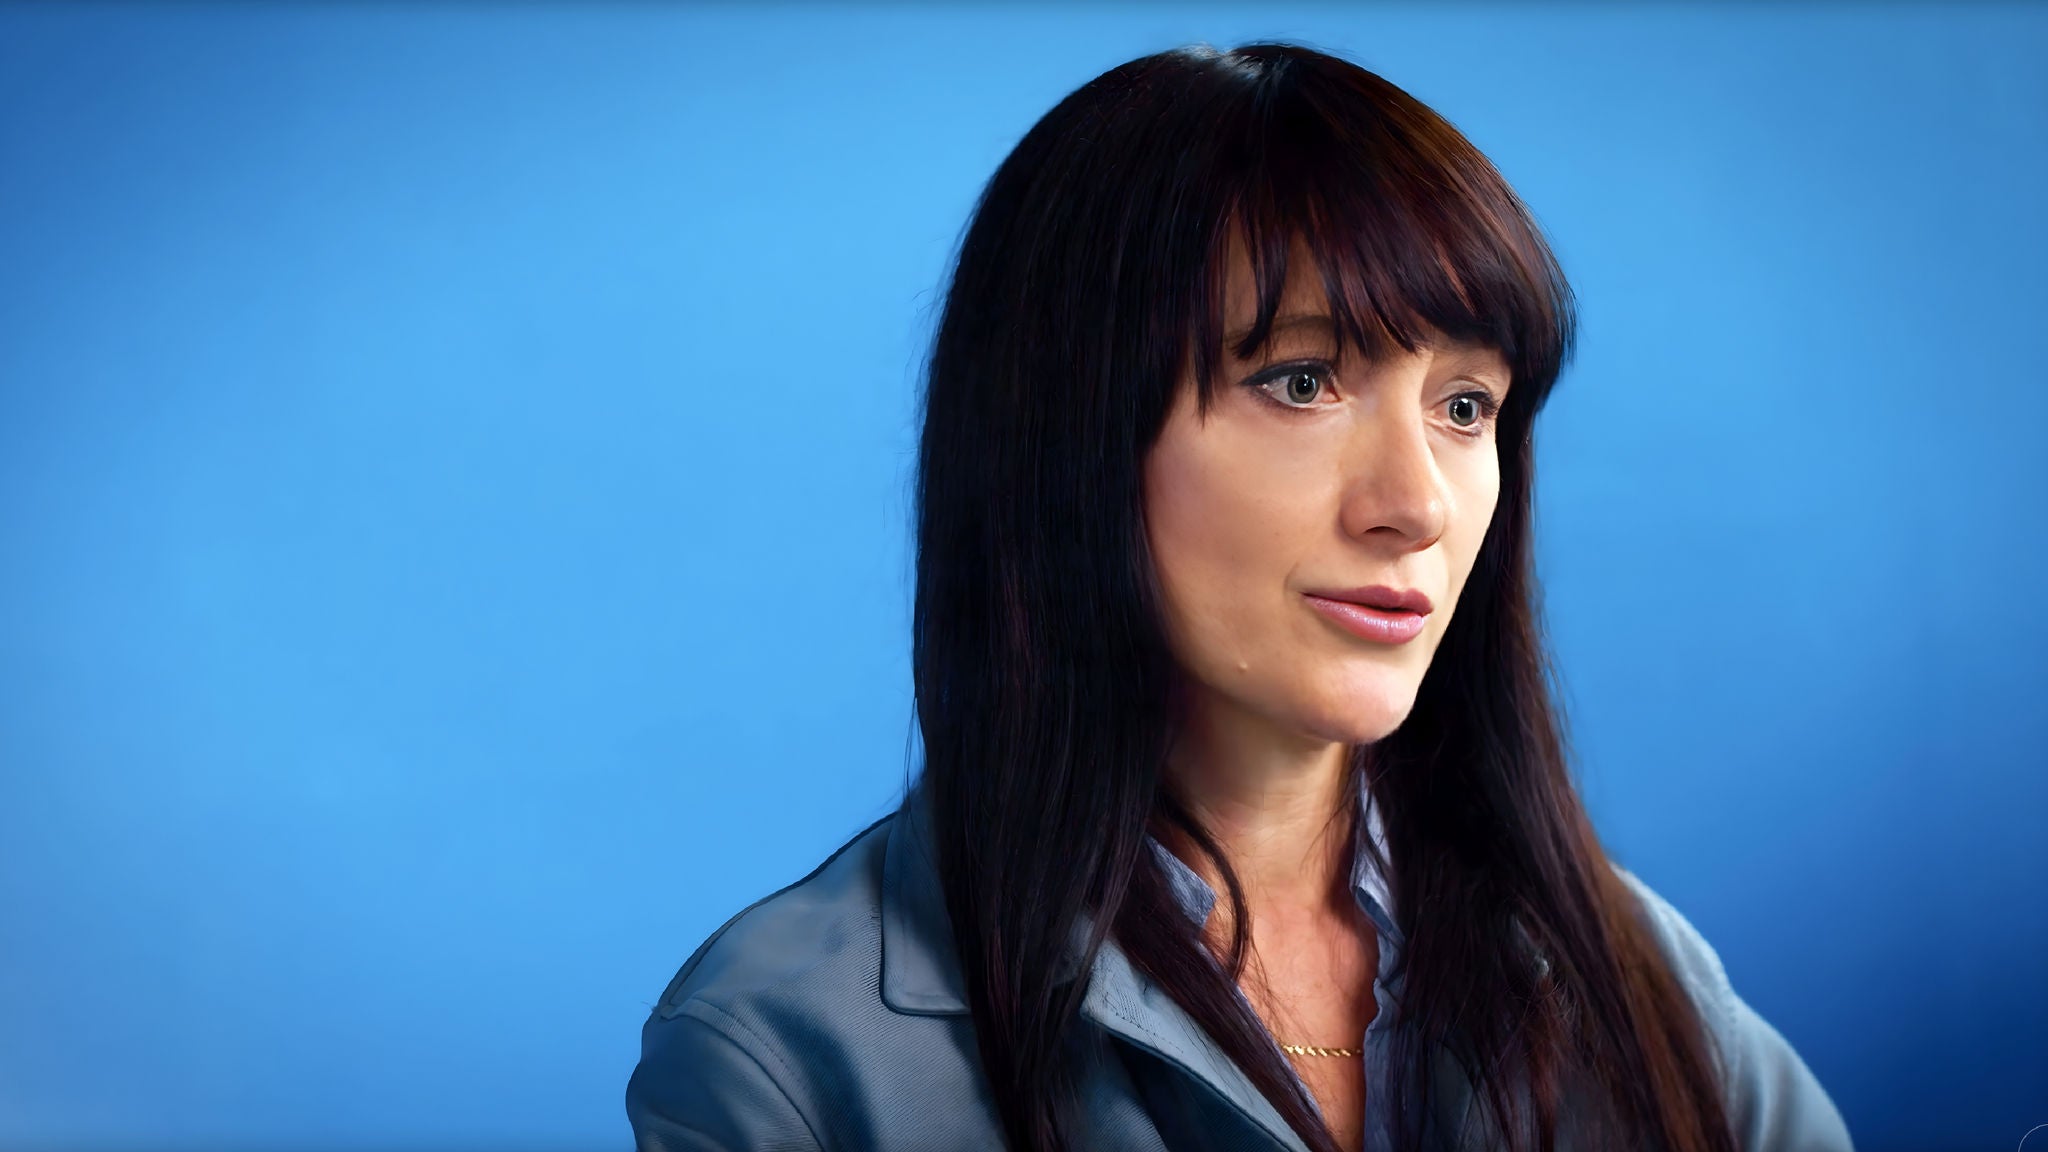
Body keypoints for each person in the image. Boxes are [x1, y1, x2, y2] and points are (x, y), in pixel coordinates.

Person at [624, 41, 1854, 1152]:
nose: (1416, 506)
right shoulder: (785, 1058)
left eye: (1464, 405)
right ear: (1069, 436)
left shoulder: (1643, 985)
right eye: (1303, 380)